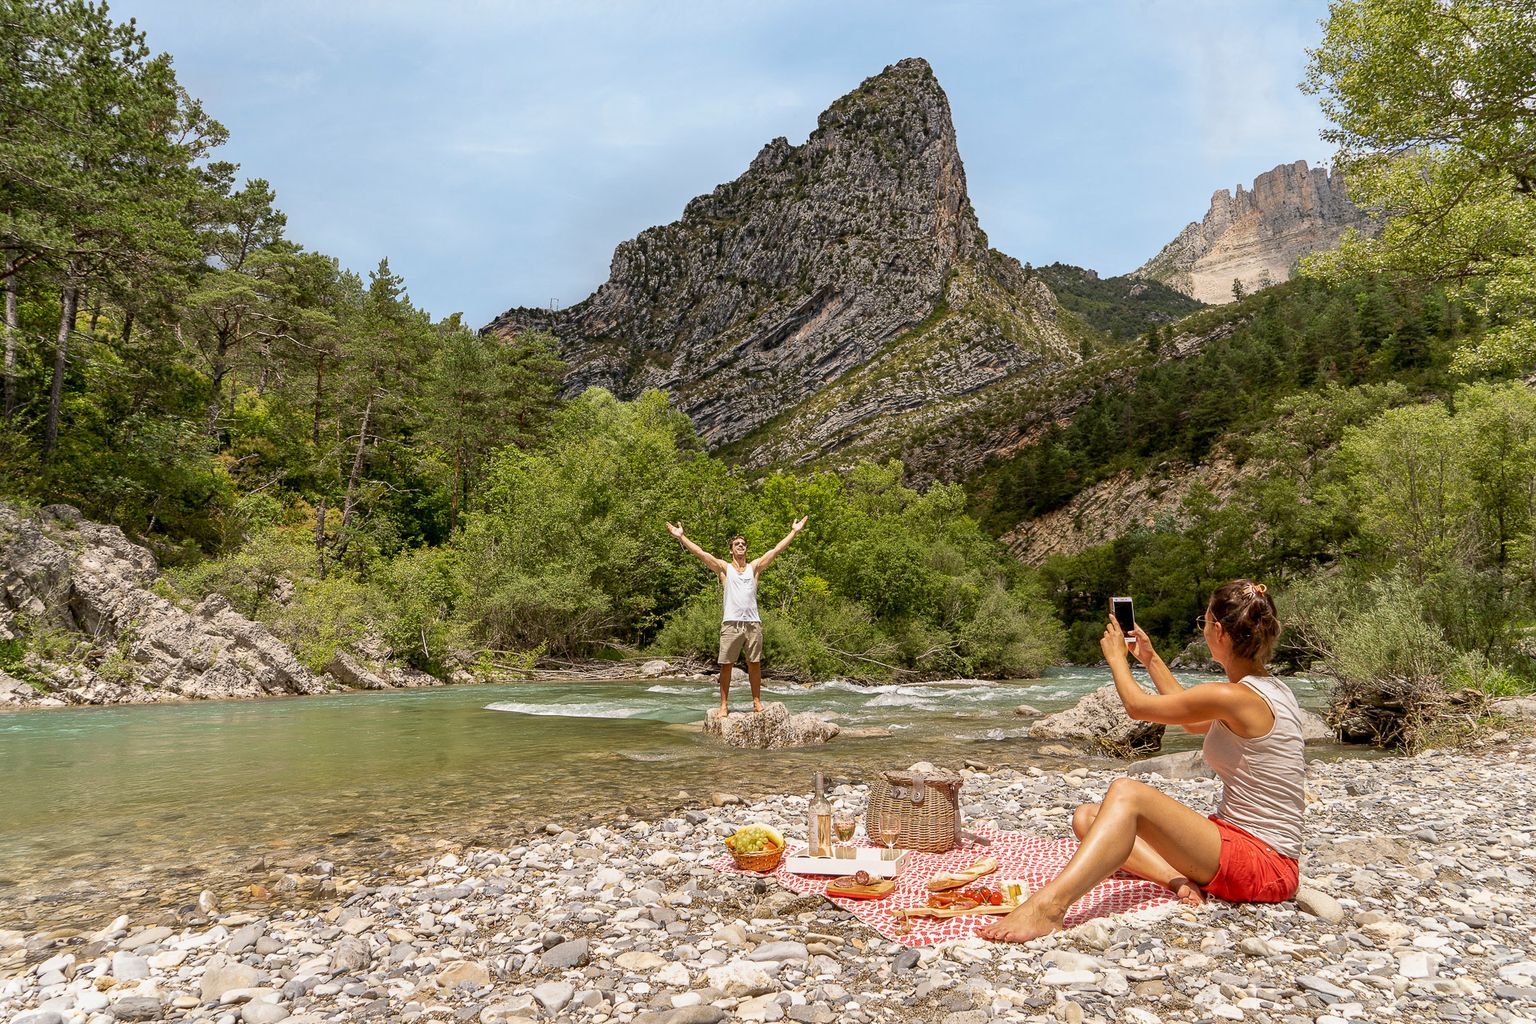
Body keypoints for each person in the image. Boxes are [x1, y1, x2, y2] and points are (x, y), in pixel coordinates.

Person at [979, 579, 1303, 942]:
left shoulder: (1233, 696)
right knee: (1088, 818)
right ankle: (1176, 880)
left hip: (1264, 864)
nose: (1204, 629)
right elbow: (1192, 722)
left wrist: (1116, 658)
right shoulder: (1269, 689)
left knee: (1127, 793)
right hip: (1237, 844)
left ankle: (1049, 908)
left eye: (1205, 621)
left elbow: (1137, 707)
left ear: (1220, 632)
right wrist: (1149, 659)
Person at [666, 517, 808, 717]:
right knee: (726, 666)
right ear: (731, 550)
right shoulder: (724, 568)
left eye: (743, 544)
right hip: (731, 623)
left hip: (753, 623)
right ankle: (723, 706)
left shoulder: (754, 568)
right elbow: (701, 553)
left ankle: (756, 702)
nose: (741, 546)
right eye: (737, 544)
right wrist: (681, 537)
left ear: (746, 549)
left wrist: (794, 532)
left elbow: (776, 550)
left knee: (754, 664)